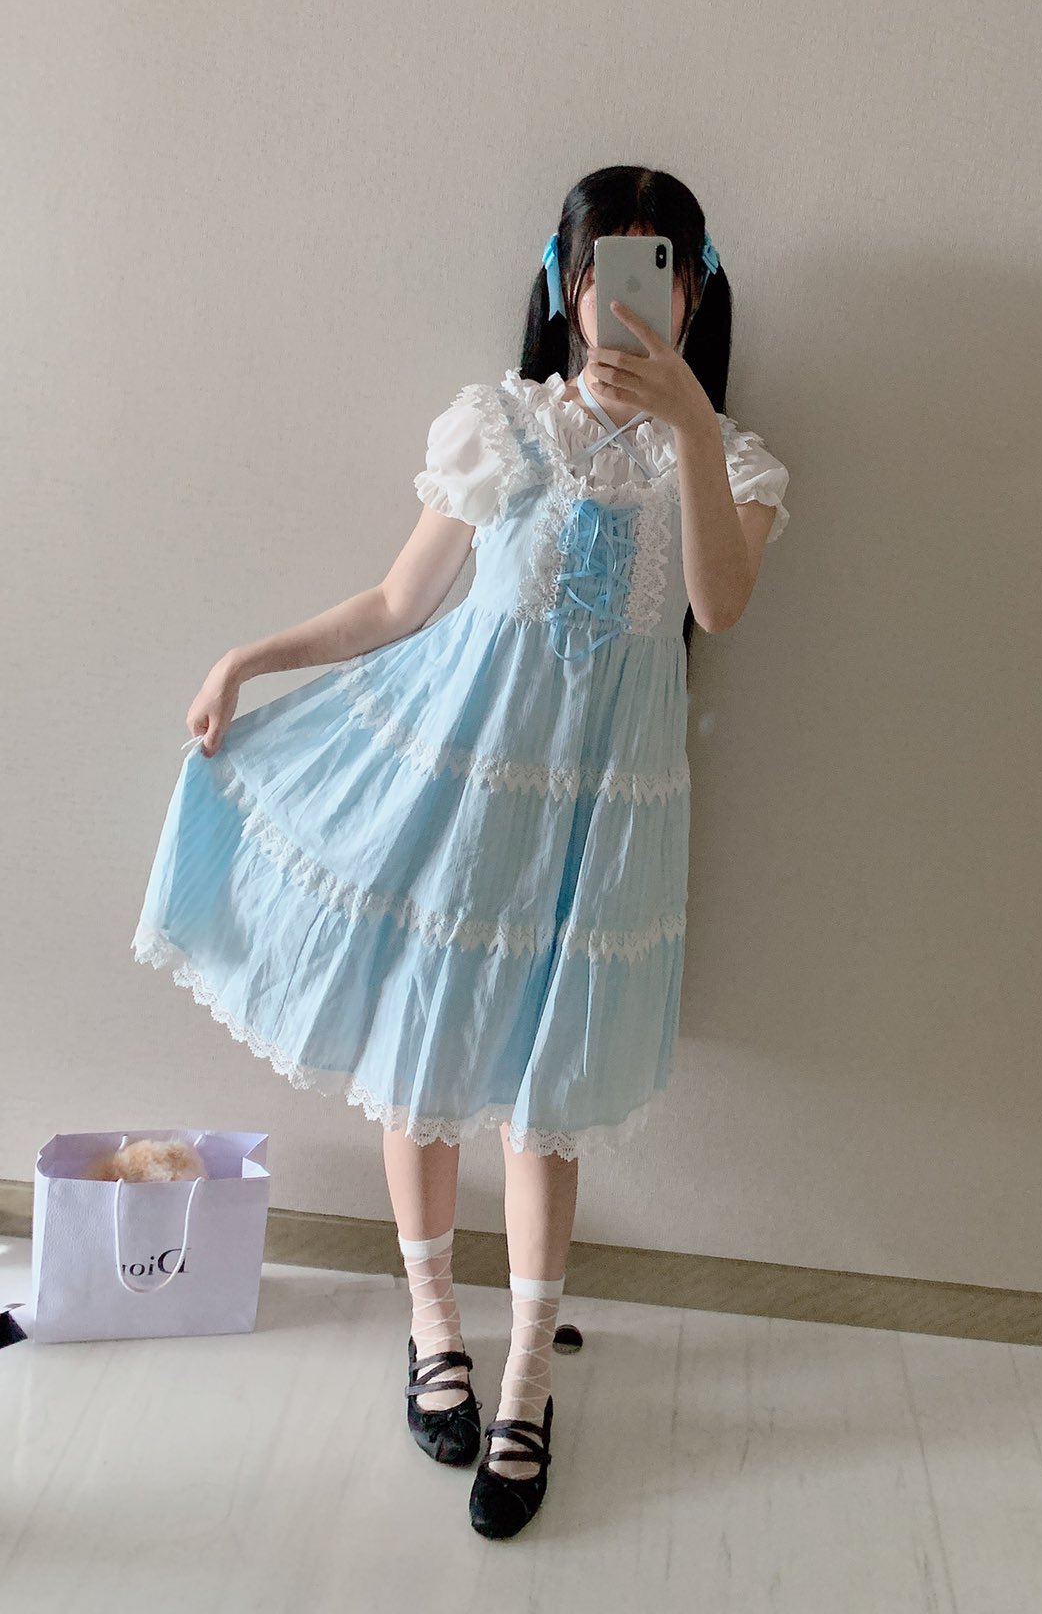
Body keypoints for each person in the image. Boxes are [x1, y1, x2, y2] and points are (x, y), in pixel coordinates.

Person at [131, 164, 790, 1540]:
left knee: (550, 1096)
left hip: (602, 825)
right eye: (603, 269)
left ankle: (530, 1373)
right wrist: (248, 658)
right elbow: (396, 604)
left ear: (695, 288)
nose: (626, 297)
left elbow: (720, 608)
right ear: (564, 285)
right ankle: (434, 1323)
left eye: (659, 268)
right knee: (424, 1062)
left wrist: (686, 421)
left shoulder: (731, 463)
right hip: (459, 796)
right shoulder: (502, 426)